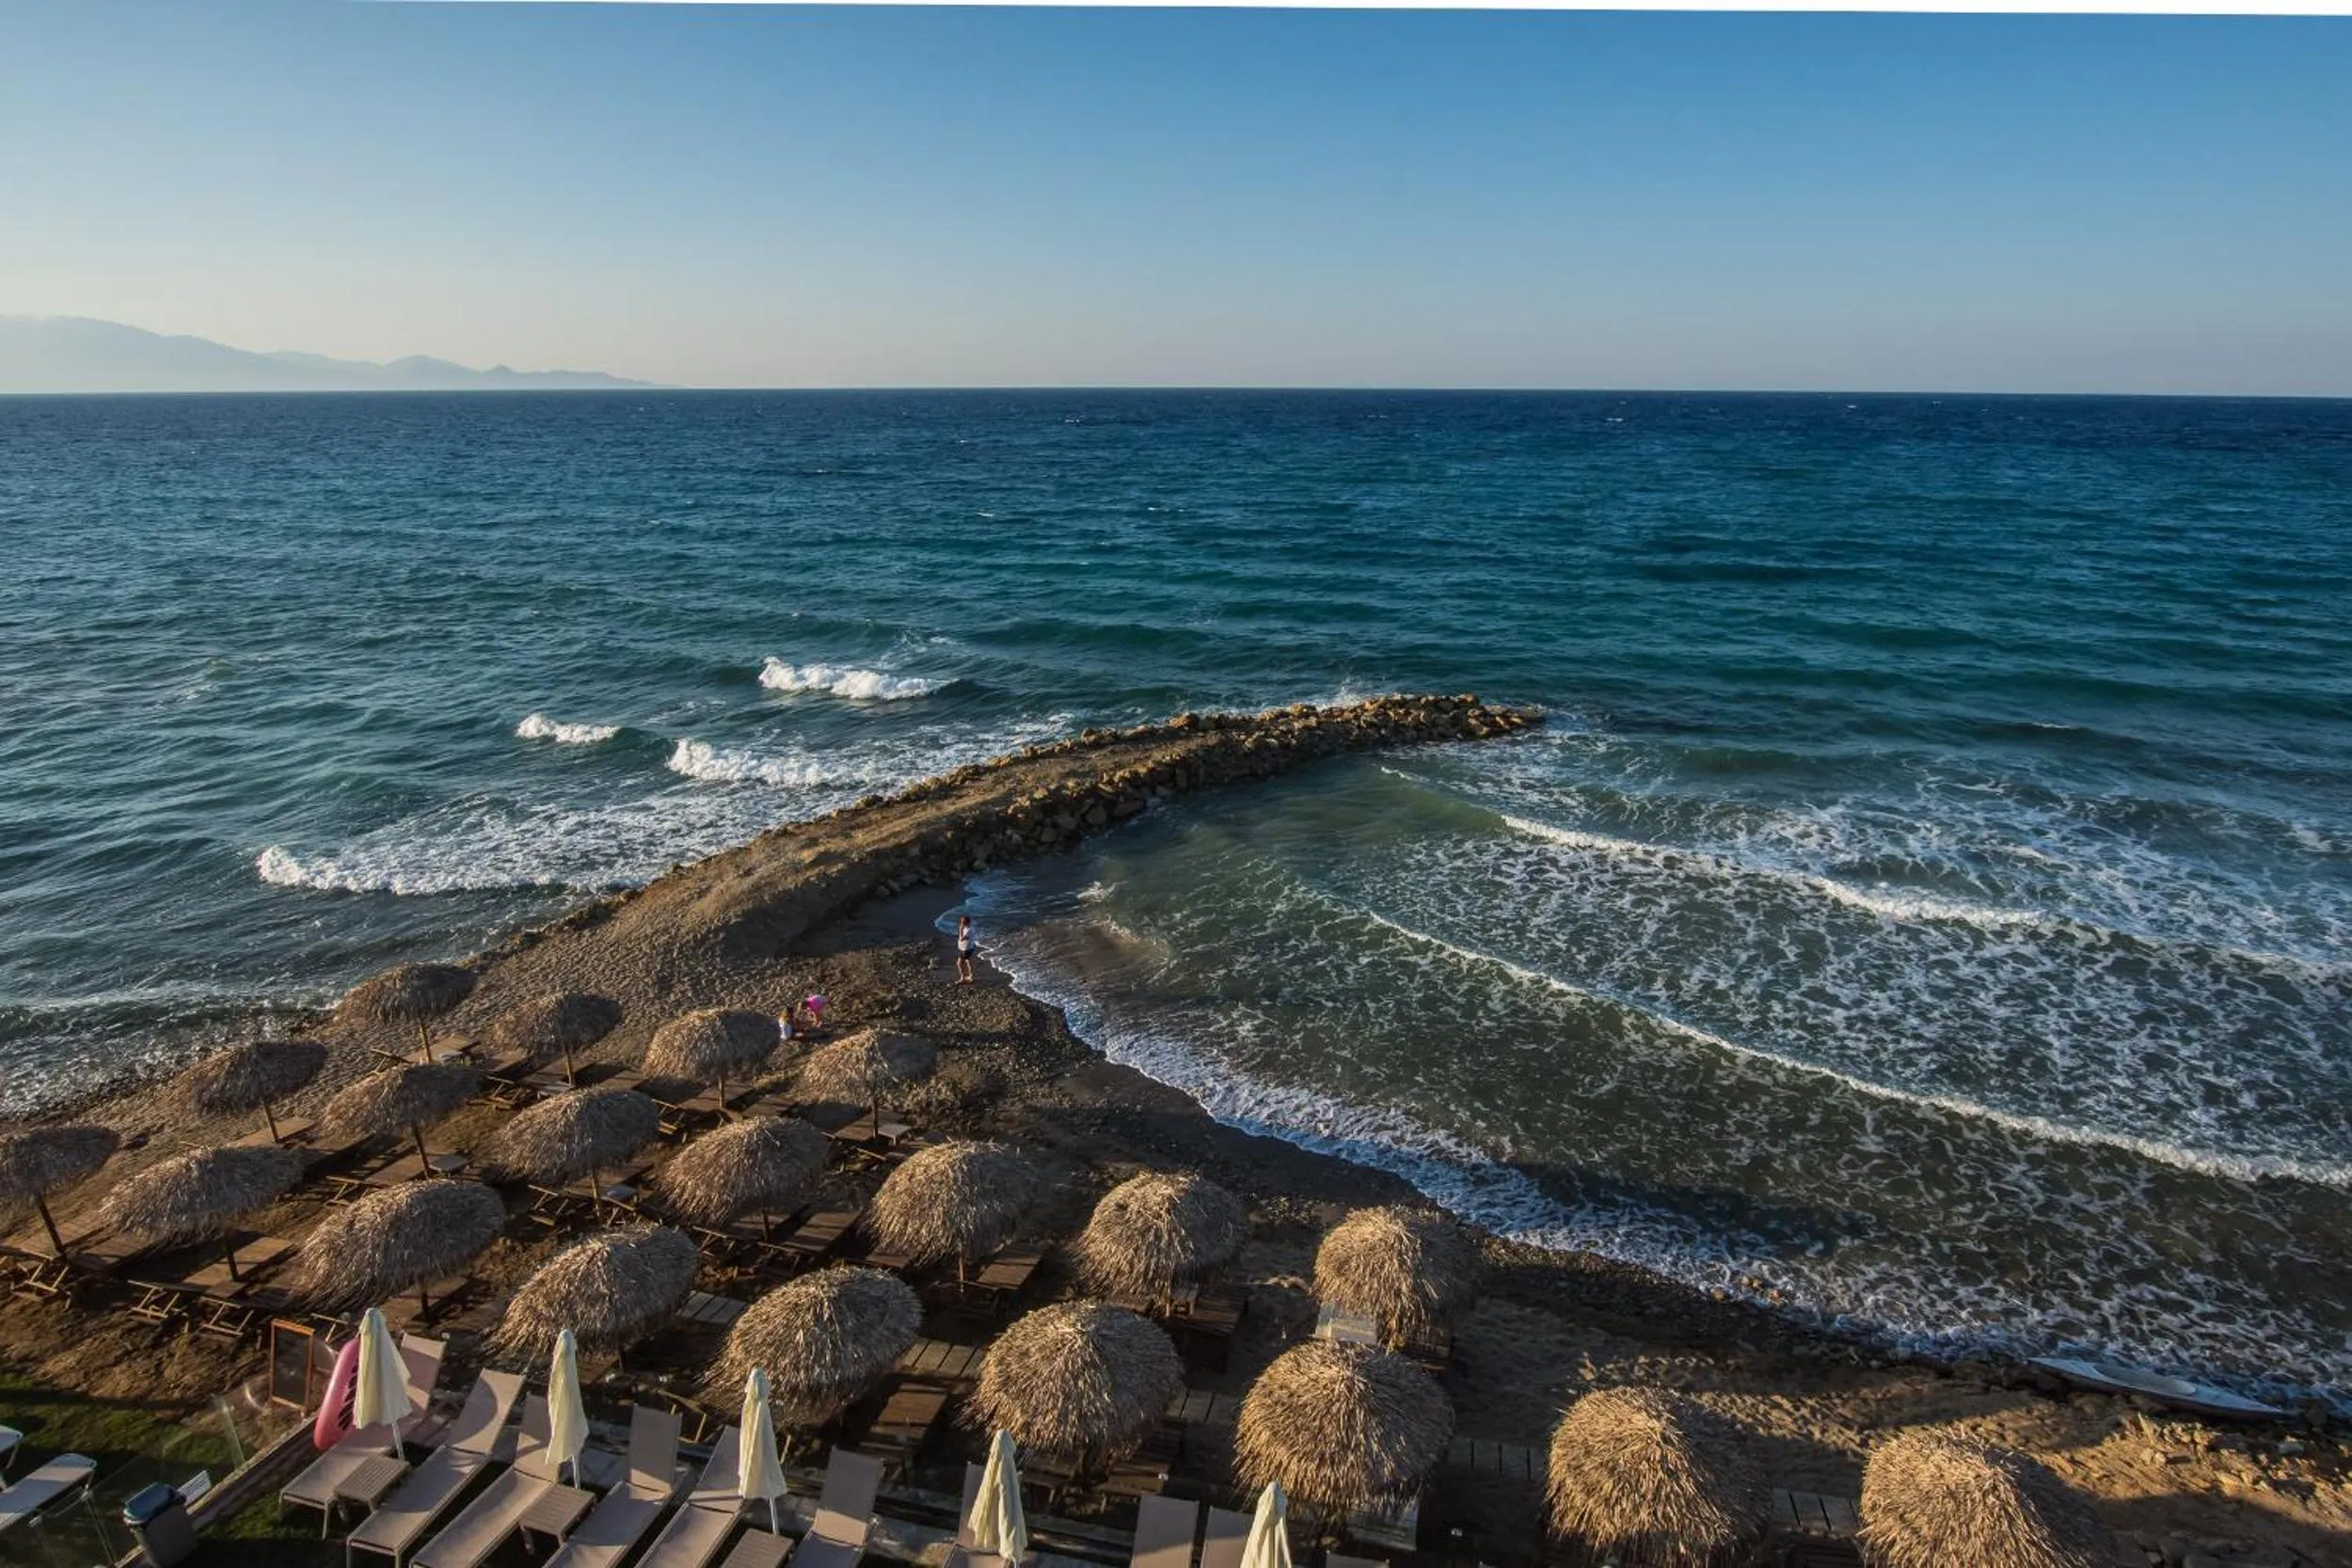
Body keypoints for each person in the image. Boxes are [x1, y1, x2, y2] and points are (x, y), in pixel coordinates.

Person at [955, 914, 977, 984]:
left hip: (965, 949)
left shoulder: (968, 930)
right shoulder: (971, 928)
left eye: (962, 922)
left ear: (966, 923)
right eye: (961, 922)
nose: (961, 924)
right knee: (968, 961)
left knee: (959, 963)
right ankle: (971, 976)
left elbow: (962, 939)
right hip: (969, 947)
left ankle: (963, 978)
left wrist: (960, 930)